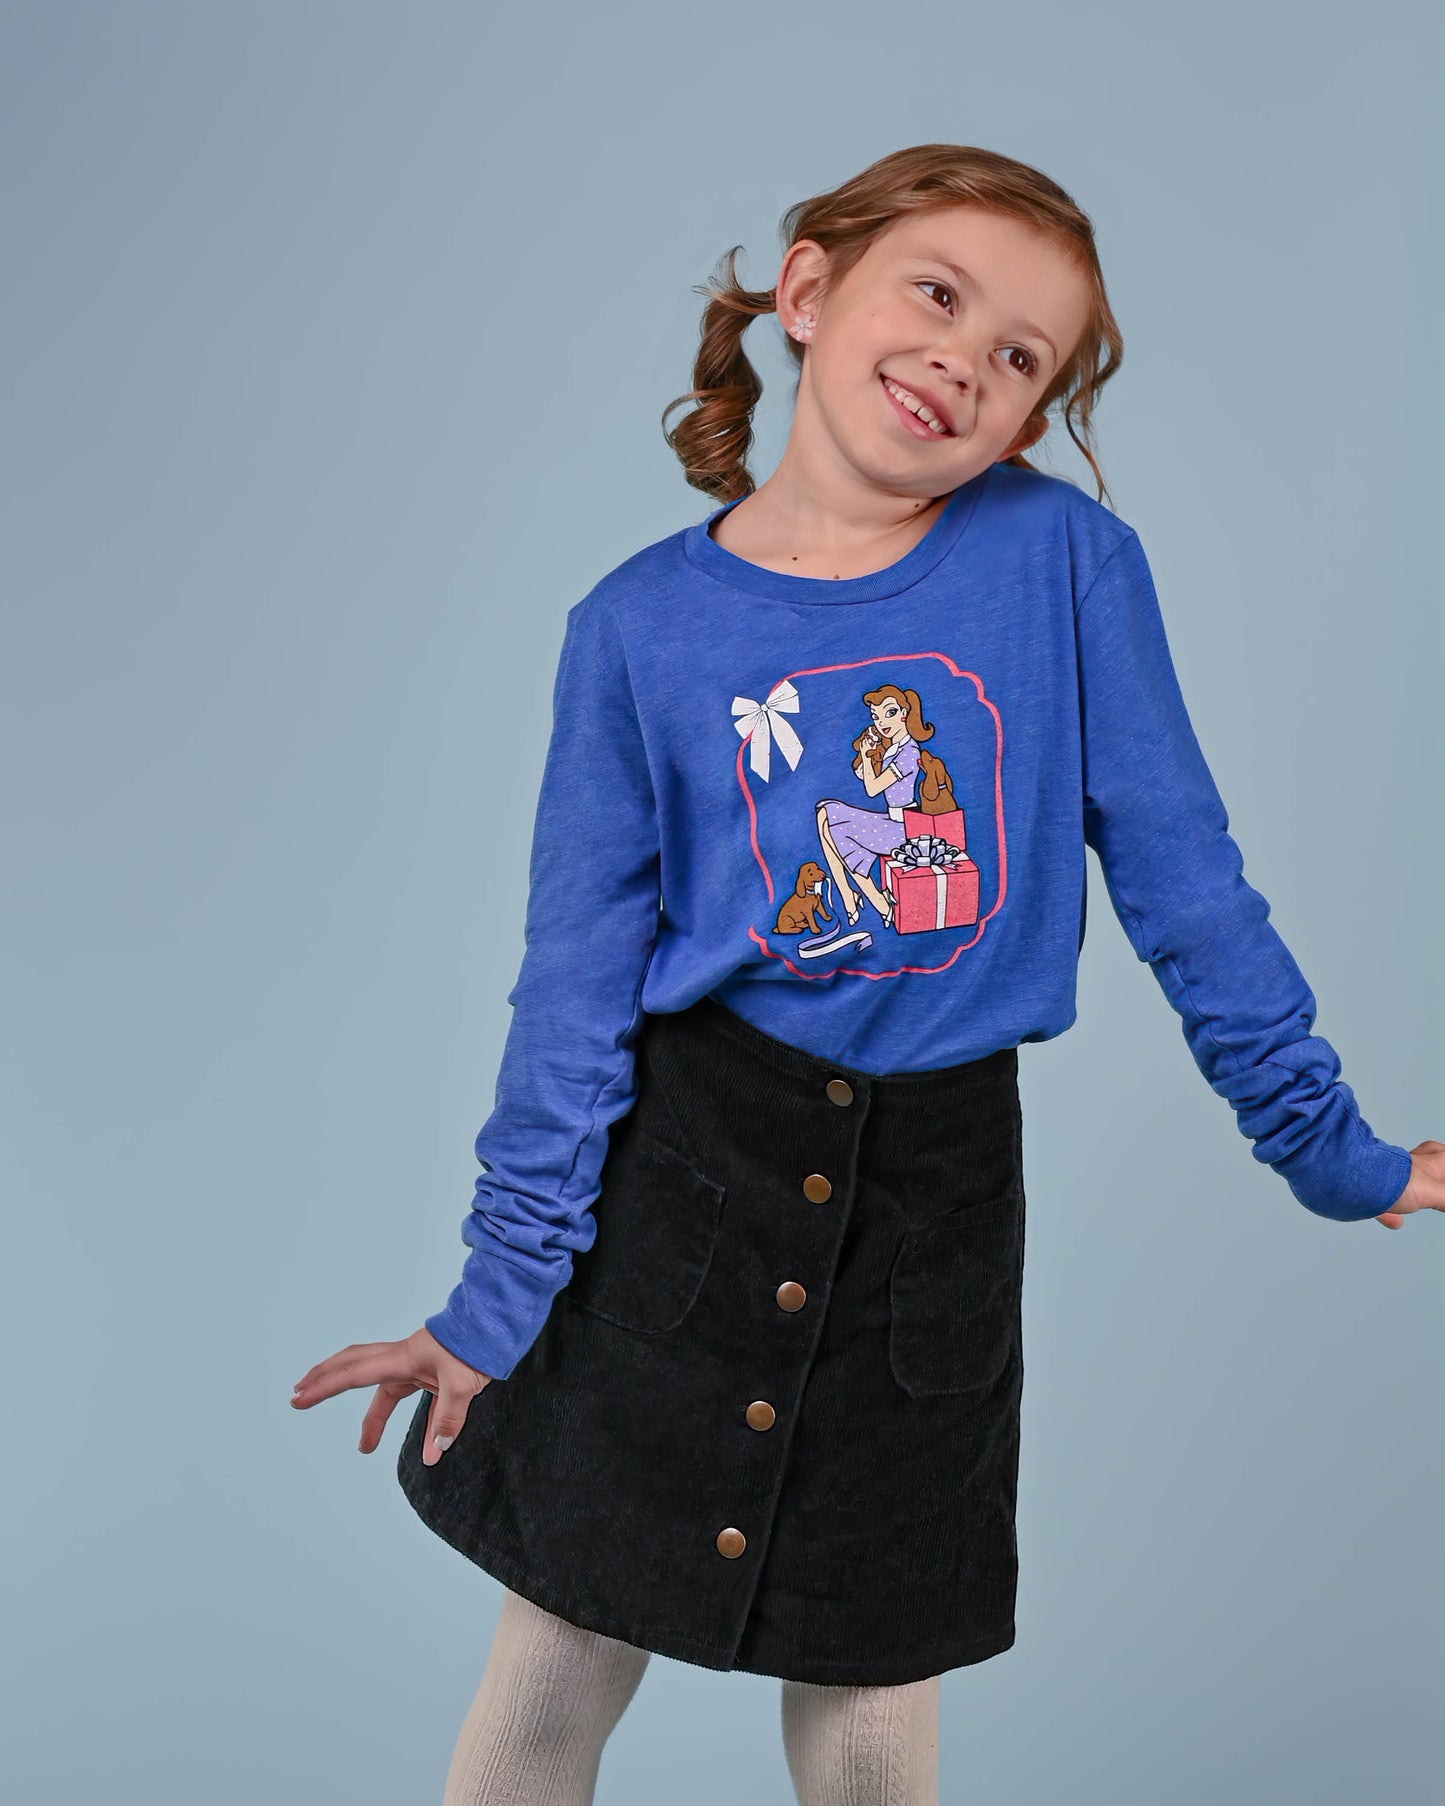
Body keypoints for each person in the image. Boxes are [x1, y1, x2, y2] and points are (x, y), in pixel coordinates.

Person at [290, 143, 1443, 1806]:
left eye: (1019, 355)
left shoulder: (1062, 566)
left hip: (936, 1206)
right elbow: (572, 992)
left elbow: (1189, 887)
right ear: (808, 294)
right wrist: (492, 1301)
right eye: (938, 294)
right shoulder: (633, 630)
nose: (965, 358)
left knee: (876, 1704)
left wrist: (1328, 1148)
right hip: (678, 1186)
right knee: (552, 1665)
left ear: (1031, 420)